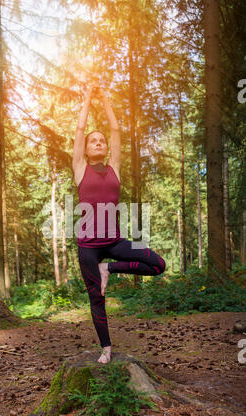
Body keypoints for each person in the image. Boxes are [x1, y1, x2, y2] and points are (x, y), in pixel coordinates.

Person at [72, 83, 166, 364]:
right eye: (94, 141)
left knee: (158, 265)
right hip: (88, 245)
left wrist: (105, 99)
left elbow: (116, 132)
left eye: (102, 141)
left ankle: (108, 268)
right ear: (86, 151)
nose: (99, 142)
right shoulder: (80, 168)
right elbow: (79, 131)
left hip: (114, 241)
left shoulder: (115, 168)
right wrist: (88, 98)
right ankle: (106, 348)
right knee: (96, 298)